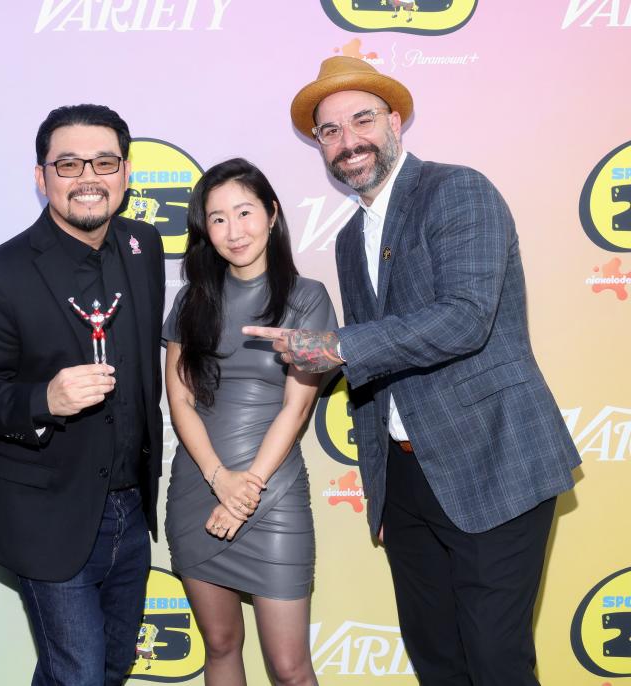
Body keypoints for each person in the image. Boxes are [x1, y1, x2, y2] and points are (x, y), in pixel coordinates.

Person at [245, 57, 581, 685]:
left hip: (493, 462)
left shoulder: (458, 189)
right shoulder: (350, 240)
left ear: (395, 120)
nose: (348, 142)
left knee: (495, 660)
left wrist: (337, 346)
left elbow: (466, 318)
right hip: (405, 480)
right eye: (330, 131)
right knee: (436, 660)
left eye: (362, 120)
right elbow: (384, 358)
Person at [0, 104, 165, 686]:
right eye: (67, 164)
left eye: (103, 162)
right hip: (49, 515)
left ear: (125, 173)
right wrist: (45, 398)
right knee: (78, 675)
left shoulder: (145, 248)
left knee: (112, 667)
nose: (87, 177)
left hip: (130, 509)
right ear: (41, 176)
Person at [164, 158, 336, 686]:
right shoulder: (192, 300)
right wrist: (220, 479)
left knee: (289, 668)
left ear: (272, 213)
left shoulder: (307, 299)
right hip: (199, 485)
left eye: (244, 212)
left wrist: (247, 489)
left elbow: (297, 405)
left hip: (273, 493)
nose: (233, 231)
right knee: (219, 646)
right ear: (204, 229)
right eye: (217, 219)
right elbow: (179, 397)